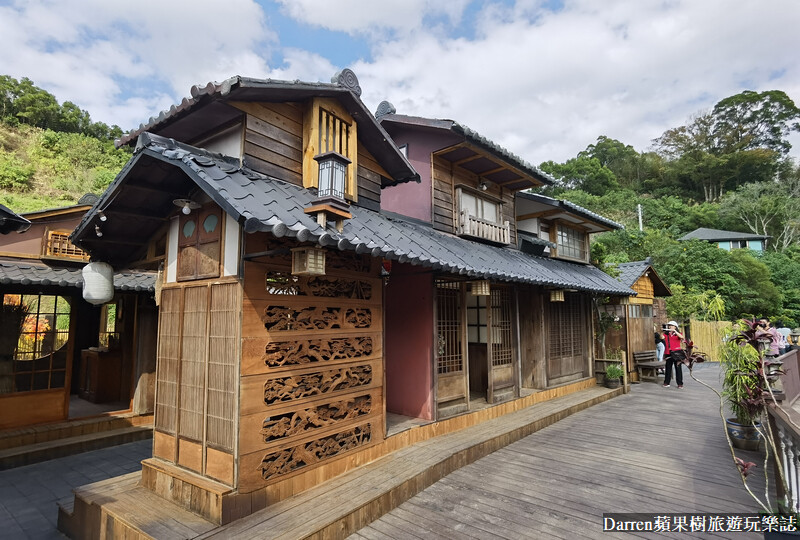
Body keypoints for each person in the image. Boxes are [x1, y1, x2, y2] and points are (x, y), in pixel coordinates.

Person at [663, 321, 685, 389]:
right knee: (668, 368)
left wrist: (675, 331)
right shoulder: (666, 334)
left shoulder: (678, 334)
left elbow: (682, 337)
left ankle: (680, 383)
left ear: (675, 327)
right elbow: (661, 337)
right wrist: (662, 331)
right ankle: (666, 382)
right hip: (668, 353)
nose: (670, 326)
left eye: (671, 325)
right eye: (669, 325)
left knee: (678, 369)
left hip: (677, 353)